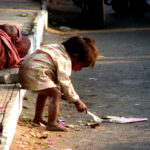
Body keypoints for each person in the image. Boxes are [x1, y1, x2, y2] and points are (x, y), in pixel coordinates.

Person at [18, 36, 99, 131]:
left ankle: (37, 118)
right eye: (81, 66)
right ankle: (52, 123)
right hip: (34, 72)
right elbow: (65, 83)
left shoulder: (55, 48)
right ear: (75, 57)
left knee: (47, 91)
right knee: (56, 93)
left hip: (26, 71)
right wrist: (77, 101)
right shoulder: (64, 60)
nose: (79, 70)